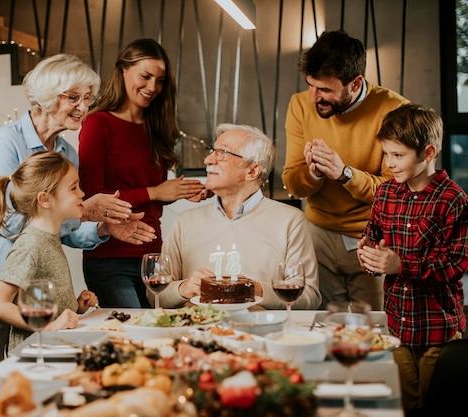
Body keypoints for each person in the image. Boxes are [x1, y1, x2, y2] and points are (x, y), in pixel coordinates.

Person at [0, 53, 156, 370]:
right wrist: (88, 209)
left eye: (87, 98)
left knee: (28, 375)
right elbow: (14, 218)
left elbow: (63, 228)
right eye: (73, 97)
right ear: (46, 98)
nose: (83, 107)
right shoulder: (5, 143)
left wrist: (103, 229)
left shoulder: (66, 154)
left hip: (33, 293)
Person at [281, 30, 409, 310]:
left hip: (372, 239)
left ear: (355, 83)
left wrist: (344, 174)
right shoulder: (300, 105)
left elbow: (397, 193)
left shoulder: (395, 110)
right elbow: (292, 181)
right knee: (323, 323)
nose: (314, 98)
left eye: (325, 90)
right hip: (316, 234)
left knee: (374, 327)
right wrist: (314, 173)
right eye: (311, 86)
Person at [356, 104, 468, 416]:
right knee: (402, 406)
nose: (388, 163)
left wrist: (400, 266)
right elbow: (372, 236)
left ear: (428, 152)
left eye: (397, 155)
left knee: (436, 405)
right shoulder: (385, 193)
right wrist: (367, 254)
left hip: (438, 331)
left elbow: (455, 264)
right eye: (386, 154)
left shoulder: (453, 199)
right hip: (397, 328)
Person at [78, 38, 206, 308]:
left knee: (158, 332)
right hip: (109, 257)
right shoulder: (97, 124)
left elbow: (150, 194)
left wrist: (178, 194)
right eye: (145, 76)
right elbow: (92, 198)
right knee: (133, 338)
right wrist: (155, 192)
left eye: (160, 81)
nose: (152, 87)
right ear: (123, 70)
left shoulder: (157, 127)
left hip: (153, 255)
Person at [157, 123, 321, 310]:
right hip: (198, 333)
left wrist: (257, 290)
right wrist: (183, 288)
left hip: (261, 334)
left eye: (222, 153)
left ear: (252, 171)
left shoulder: (291, 221)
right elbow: (155, 295)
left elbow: (309, 297)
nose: (208, 160)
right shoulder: (185, 222)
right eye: (211, 151)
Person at [0, 151, 99, 351]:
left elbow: (42, 303)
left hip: (55, 349)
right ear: (45, 199)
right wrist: (50, 326)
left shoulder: (49, 239)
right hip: (36, 354)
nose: (81, 193)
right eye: (73, 188)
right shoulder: (30, 245)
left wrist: (75, 306)